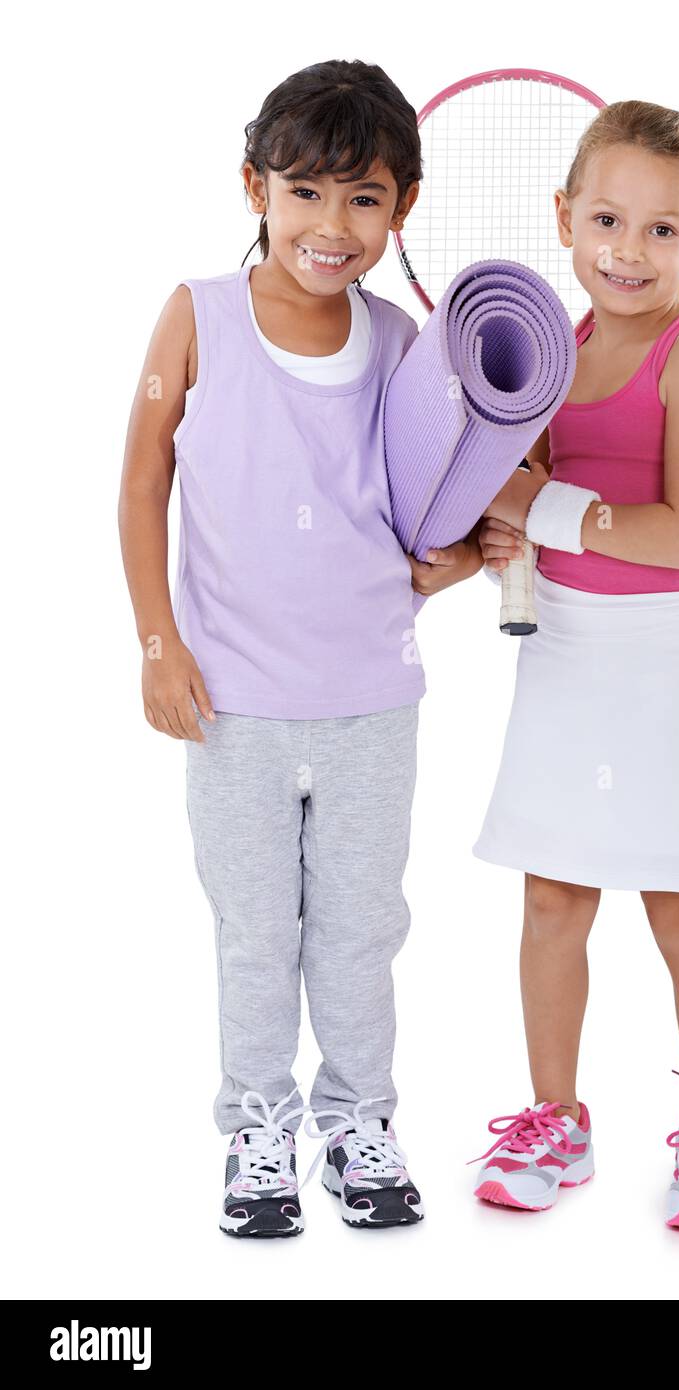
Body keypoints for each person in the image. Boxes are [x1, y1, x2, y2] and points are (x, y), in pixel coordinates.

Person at [118, 59, 482, 1237]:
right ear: (254, 187)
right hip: (235, 704)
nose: (333, 226)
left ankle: (358, 1121)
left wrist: (462, 559)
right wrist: (157, 643)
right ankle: (259, 1130)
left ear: (402, 209)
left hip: (373, 697)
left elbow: (439, 504)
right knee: (253, 926)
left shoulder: (397, 342)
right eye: (306, 193)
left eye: (365, 199)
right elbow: (140, 480)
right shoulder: (197, 314)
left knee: (363, 923)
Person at [472, 99, 679, 1234]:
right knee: (552, 898)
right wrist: (504, 529)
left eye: (660, 231)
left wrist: (537, 504)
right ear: (563, 218)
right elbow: (519, 506)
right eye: (604, 220)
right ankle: (557, 1120)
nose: (626, 252)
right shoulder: (554, 355)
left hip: (663, 667)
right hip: (565, 658)